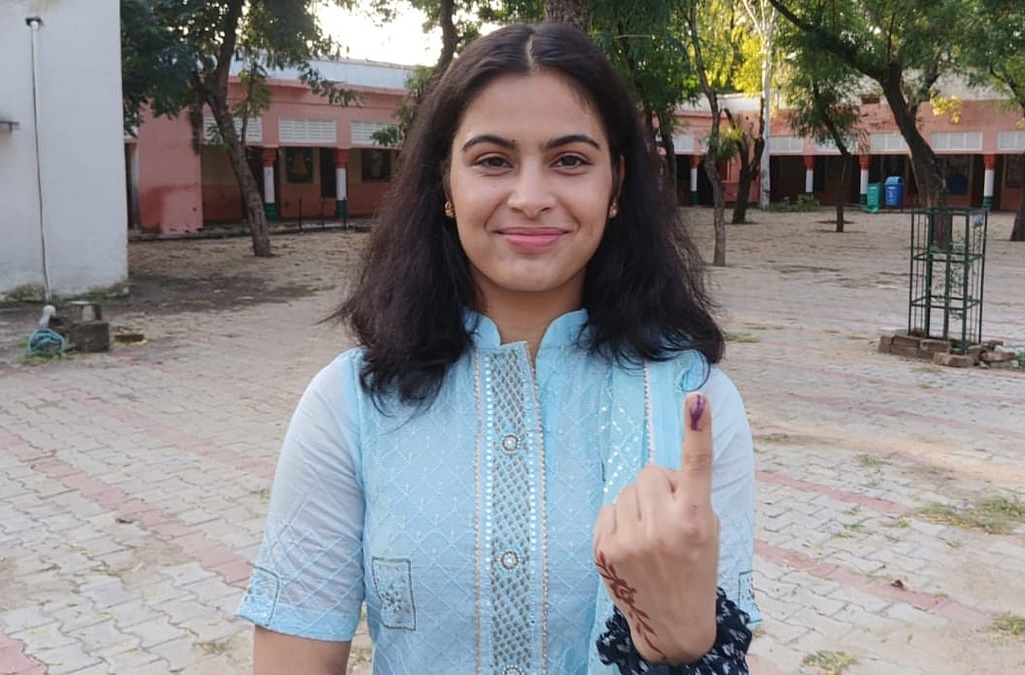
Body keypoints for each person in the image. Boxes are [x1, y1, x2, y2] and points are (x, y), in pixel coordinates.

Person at [237, 22, 760, 674]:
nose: (532, 197)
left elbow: (729, 649)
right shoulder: (350, 406)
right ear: (445, 186)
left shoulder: (695, 408)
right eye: (492, 161)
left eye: (570, 160)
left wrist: (685, 644)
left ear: (617, 184)